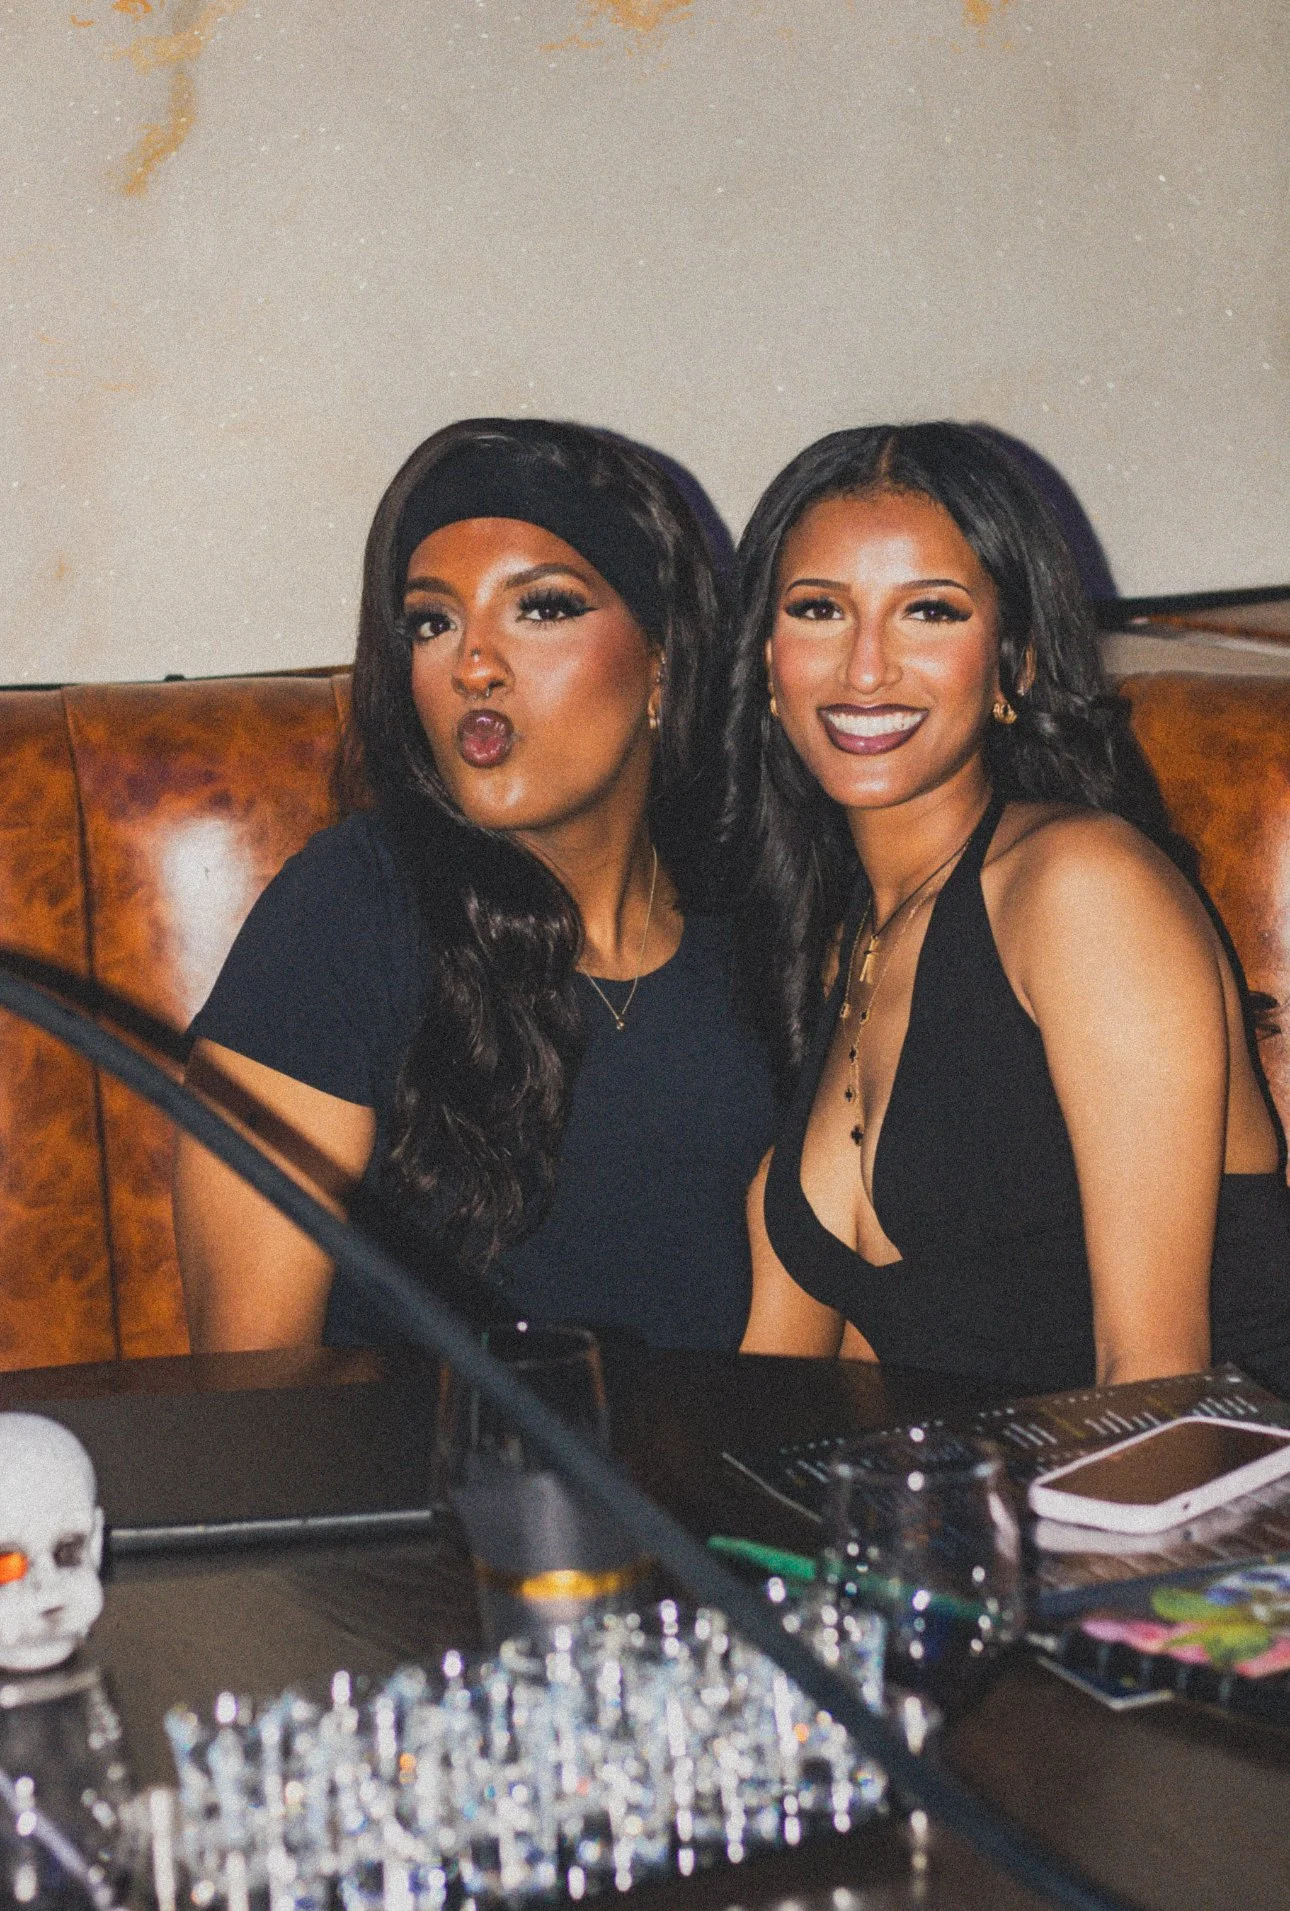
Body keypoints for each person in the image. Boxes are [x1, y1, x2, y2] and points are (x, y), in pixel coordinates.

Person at [174, 418, 776, 1353]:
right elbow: (250, 1387)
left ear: (662, 662)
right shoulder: (348, 912)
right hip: (428, 1497)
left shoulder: (760, 933)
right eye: (432, 620)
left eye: (540, 608)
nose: (472, 664)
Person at [726, 422, 1290, 1394]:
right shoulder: (842, 942)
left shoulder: (1080, 890)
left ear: (1015, 662)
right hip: (950, 1522)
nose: (865, 667)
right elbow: (779, 1399)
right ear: (769, 661)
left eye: (929, 612)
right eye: (819, 609)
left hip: (1188, 1521)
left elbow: (1154, 1377)